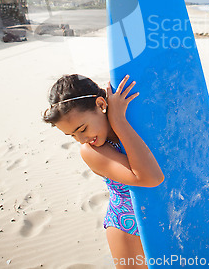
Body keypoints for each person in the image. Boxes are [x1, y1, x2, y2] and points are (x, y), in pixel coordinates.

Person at [43, 74, 164, 268]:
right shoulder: (92, 152)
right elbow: (151, 177)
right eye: (72, 135)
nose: (80, 139)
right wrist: (118, 120)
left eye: (82, 129)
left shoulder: (138, 120)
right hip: (129, 229)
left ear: (100, 105)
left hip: (167, 213)